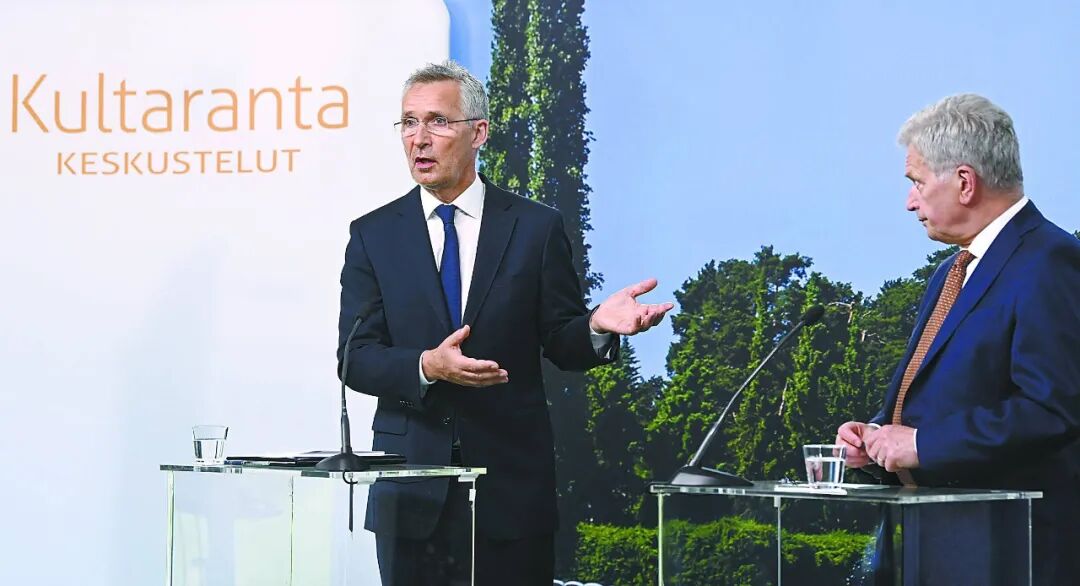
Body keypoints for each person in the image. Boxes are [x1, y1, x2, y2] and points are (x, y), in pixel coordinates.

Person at [336, 60, 673, 586]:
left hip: (509, 491)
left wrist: (597, 326)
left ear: (479, 133)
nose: (419, 139)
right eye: (408, 122)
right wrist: (427, 366)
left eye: (437, 121)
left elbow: (561, 341)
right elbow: (356, 358)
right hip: (411, 491)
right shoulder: (373, 235)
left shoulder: (536, 227)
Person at [836, 94, 1080, 585]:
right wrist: (877, 439)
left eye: (917, 182)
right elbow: (942, 399)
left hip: (1009, 556)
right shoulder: (951, 272)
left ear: (965, 182)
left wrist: (922, 444)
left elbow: (1053, 409)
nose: (910, 202)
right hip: (933, 546)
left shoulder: (1051, 261)